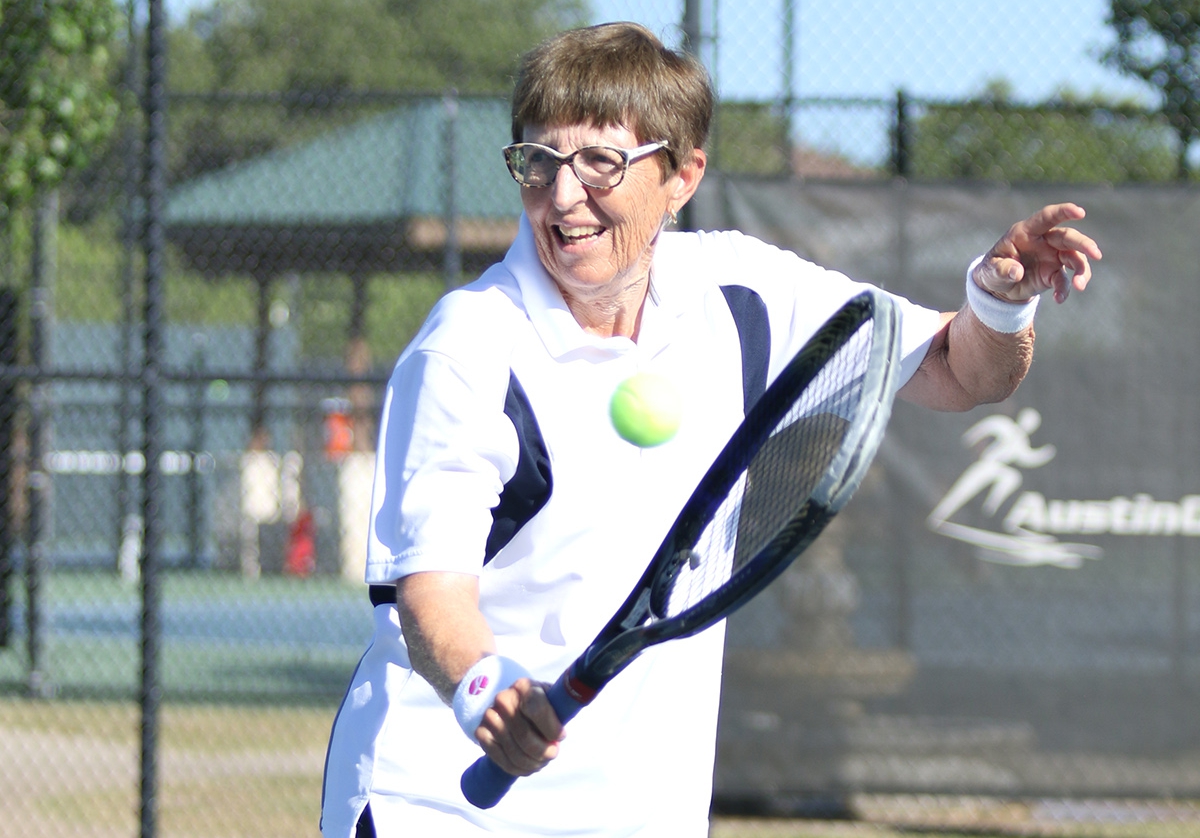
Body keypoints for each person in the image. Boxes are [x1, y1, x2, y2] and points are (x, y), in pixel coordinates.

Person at [320, 21, 1102, 838]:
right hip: (439, 807)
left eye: (600, 163)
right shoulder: (467, 347)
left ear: (682, 175)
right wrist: (485, 690)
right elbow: (431, 594)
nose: (562, 196)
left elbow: (956, 369)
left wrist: (999, 303)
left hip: (639, 811)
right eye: (539, 161)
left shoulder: (741, 291)